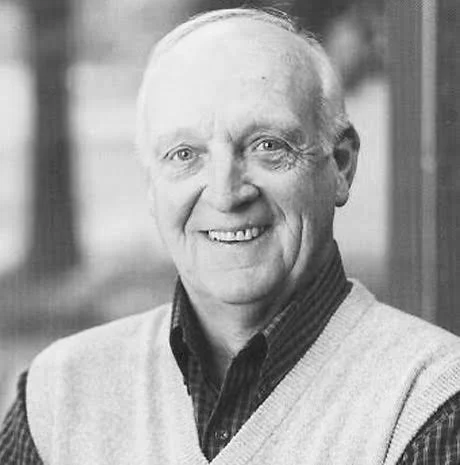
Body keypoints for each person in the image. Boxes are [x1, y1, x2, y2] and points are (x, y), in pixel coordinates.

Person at [2, 7, 460, 465]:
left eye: (268, 146)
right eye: (185, 154)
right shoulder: (56, 397)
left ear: (340, 166)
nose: (225, 194)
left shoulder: (431, 405)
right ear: (152, 186)